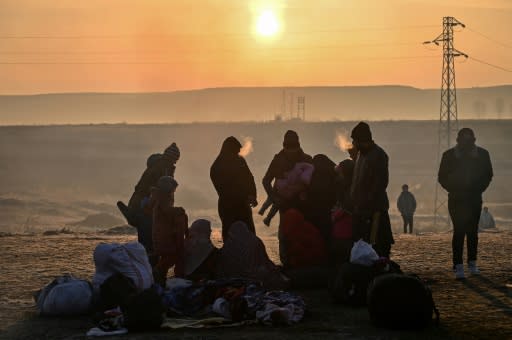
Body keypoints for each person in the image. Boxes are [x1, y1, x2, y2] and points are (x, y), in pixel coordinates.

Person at [438, 128, 493, 279]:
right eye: (464, 139)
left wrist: (478, 189)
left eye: (469, 139)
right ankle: (458, 265)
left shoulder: (482, 155)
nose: (467, 142)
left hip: (473, 198)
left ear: (473, 139)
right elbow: (442, 177)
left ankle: (472, 263)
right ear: (458, 140)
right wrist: (454, 189)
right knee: (459, 231)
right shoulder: (449, 156)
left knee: (472, 232)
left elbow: (488, 174)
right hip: (456, 199)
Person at [118, 143, 180, 254]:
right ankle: (149, 262)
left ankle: (132, 214)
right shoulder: (164, 168)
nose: (174, 162)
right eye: (174, 160)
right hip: (146, 207)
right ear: (172, 158)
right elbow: (163, 191)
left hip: (139, 203)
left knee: (146, 238)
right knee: (149, 241)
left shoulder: (158, 166)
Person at [262, 130, 312, 265]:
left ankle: (300, 264)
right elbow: (266, 180)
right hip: (283, 205)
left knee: (301, 235)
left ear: (298, 146)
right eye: (288, 149)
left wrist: (305, 194)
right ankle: (286, 264)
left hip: (302, 206)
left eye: (293, 149)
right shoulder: (277, 160)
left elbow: (313, 182)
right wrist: (273, 197)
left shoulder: (306, 159)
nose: (291, 152)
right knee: (285, 236)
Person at [349, 122, 394, 258]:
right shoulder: (361, 155)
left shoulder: (378, 155)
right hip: (362, 210)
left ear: (362, 140)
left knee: (378, 245)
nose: (353, 143)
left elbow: (380, 185)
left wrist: (366, 204)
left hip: (375, 211)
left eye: (355, 140)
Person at [215, 221, 289, 290]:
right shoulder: (255, 241)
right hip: (255, 276)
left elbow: (222, 265)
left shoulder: (228, 245)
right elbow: (265, 261)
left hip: (233, 277)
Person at [210, 137, 258, 240]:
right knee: (230, 236)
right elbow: (223, 190)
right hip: (228, 207)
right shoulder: (217, 166)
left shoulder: (239, 161)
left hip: (242, 205)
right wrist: (246, 195)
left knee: (249, 236)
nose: (238, 153)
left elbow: (249, 179)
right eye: (236, 150)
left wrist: (253, 195)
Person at [146, 176, 188, 285]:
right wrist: (179, 210)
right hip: (163, 235)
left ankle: (159, 278)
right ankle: (157, 274)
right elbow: (166, 210)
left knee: (167, 257)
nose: (174, 191)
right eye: (173, 189)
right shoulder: (163, 197)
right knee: (170, 257)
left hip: (160, 233)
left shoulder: (159, 196)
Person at [258, 162, 314, 226]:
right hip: (284, 191)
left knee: (273, 202)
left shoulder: (298, 167)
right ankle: (266, 215)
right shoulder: (302, 168)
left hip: (283, 190)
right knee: (274, 202)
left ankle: (266, 214)